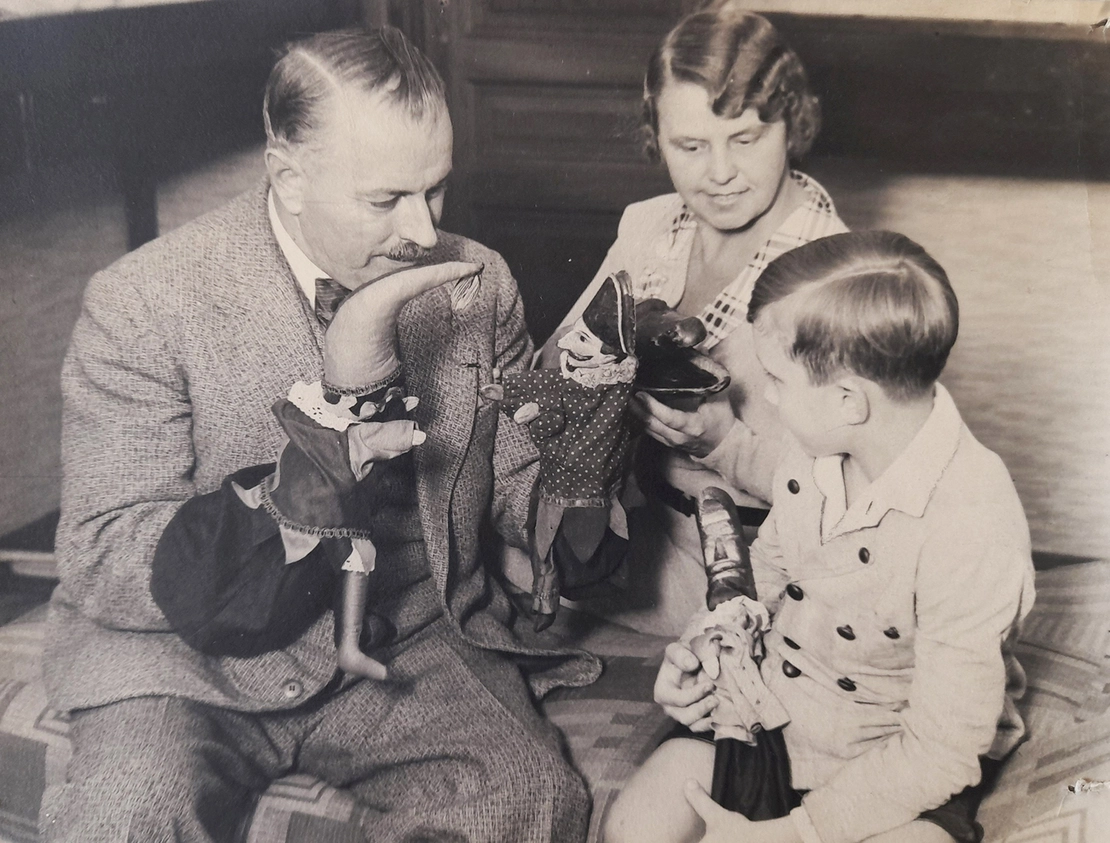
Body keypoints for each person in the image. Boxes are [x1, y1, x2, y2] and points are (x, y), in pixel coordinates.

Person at [40, 26, 600, 843]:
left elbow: (517, 481)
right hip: (189, 664)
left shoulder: (476, 283)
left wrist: (587, 477)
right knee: (120, 812)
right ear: (289, 180)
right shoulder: (144, 300)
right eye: (384, 200)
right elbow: (103, 552)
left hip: (410, 635)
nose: (421, 228)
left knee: (525, 799)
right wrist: (314, 462)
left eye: (435, 190)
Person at [605, 231, 1036, 843]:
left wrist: (797, 833)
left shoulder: (973, 526)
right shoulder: (821, 448)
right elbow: (772, 566)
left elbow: (943, 750)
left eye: (775, 380)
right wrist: (708, 648)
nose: (764, 398)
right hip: (774, 720)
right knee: (638, 822)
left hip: (894, 762)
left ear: (848, 400)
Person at [541, 3, 848, 636]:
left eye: (745, 138)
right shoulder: (649, 226)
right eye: (690, 145)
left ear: (792, 123)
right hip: (651, 533)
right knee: (455, 539)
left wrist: (722, 442)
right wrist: (585, 370)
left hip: (773, 568)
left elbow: (849, 495)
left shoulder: (837, 276)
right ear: (656, 136)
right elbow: (552, 361)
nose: (719, 174)